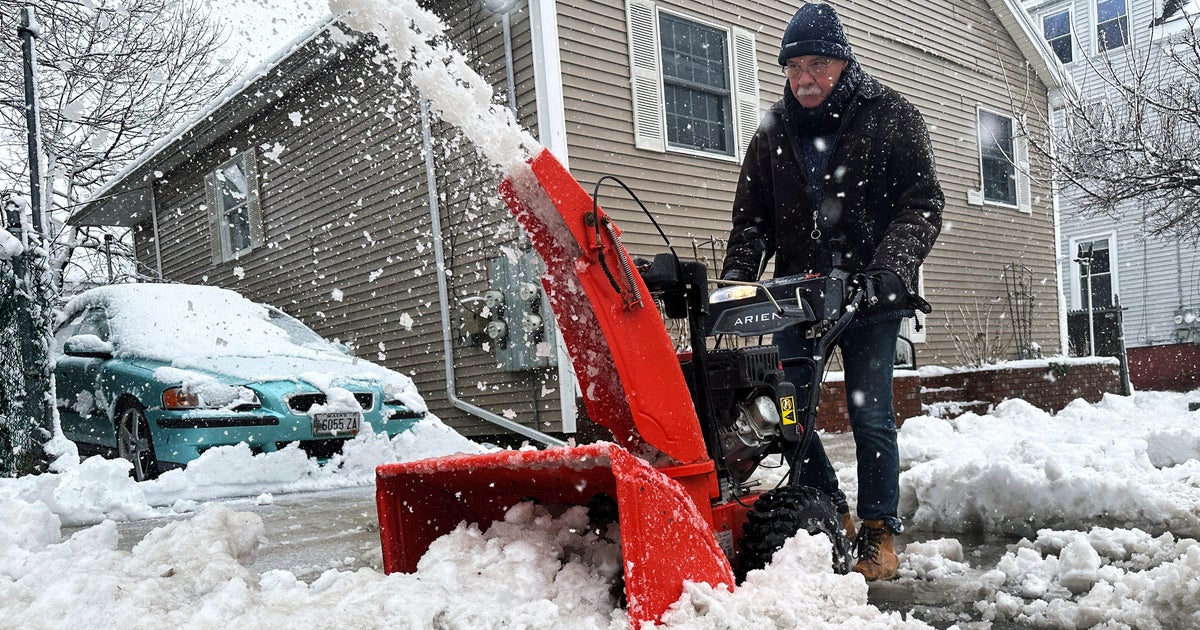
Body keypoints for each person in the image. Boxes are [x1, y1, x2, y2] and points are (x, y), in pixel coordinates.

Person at [720, 2, 943, 581]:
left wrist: (890, 269)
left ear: (843, 62)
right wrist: (736, 285)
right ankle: (832, 510)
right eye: (794, 67)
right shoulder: (773, 129)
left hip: (870, 296)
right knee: (786, 412)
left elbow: (923, 205)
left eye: (817, 64)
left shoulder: (889, 115)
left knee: (871, 415)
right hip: (800, 296)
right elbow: (753, 222)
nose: (805, 79)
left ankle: (878, 532)